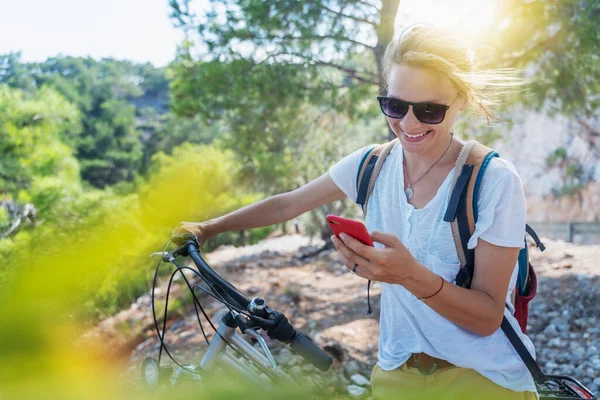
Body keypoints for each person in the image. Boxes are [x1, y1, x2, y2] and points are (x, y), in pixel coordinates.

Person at [176, 25, 538, 400]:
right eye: (395, 106)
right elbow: (288, 203)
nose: (409, 124)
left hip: (483, 379)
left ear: (462, 100)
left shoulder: (493, 181)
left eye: (430, 110)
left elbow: (487, 317)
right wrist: (208, 228)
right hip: (396, 374)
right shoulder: (372, 165)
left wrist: (410, 275)